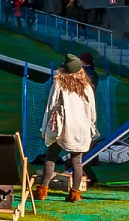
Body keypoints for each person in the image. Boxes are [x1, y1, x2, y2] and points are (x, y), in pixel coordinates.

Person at [36, 55, 98, 203]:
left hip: (62, 126)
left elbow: (50, 107)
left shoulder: (59, 84)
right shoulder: (87, 87)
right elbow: (92, 111)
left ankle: (42, 191)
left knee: (50, 158)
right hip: (81, 128)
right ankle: (75, 194)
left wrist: (45, 128)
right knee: (77, 161)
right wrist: (92, 126)